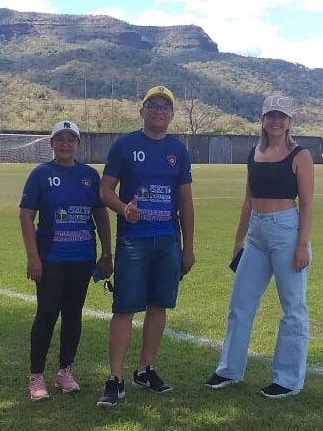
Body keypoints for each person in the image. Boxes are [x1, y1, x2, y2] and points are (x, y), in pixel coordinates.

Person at [204, 94, 314, 399]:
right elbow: (248, 200)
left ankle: (288, 380)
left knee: (293, 307)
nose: (276, 121)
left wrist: (302, 244)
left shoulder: (300, 155)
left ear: (290, 122)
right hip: (256, 233)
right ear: (262, 120)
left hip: (286, 231)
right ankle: (229, 369)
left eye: (282, 116)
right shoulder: (255, 153)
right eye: (271, 116)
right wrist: (238, 240)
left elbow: (307, 203)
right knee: (240, 303)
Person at [96, 85, 195, 407]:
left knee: (158, 306)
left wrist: (188, 247)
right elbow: (105, 190)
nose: (159, 111)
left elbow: (186, 202)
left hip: (168, 240)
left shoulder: (178, 151)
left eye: (165, 107)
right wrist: (123, 208)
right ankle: (115, 379)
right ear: (142, 111)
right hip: (134, 241)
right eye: (153, 105)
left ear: (172, 115)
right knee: (124, 308)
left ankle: (145, 369)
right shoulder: (125, 145)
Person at [20, 120, 113, 401]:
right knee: (48, 312)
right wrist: (33, 257)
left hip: (82, 257)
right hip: (50, 257)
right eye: (59, 139)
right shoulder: (41, 174)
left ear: (78, 145)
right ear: (51, 144)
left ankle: (64, 371)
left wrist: (106, 254)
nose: (65, 144)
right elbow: (26, 216)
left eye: (70, 139)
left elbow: (100, 216)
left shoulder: (89, 175)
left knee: (73, 312)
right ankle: (36, 376)